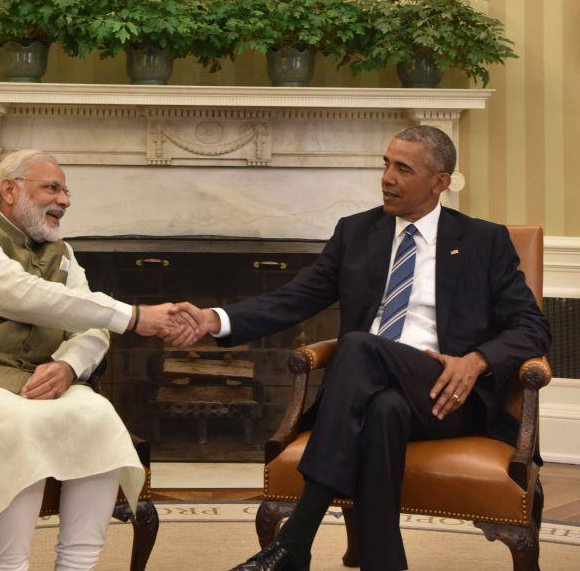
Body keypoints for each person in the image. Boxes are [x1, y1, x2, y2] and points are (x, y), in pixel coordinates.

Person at [188, 126, 552, 571]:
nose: (387, 177)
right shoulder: (356, 232)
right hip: (369, 393)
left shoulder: (483, 241)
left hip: (448, 396)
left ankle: (296, 540)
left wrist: (477, 362)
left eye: (403, 168)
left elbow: (532, 326)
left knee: (359, 346)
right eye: (385, 163)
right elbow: (295, 298)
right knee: (383, 409)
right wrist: (215, 320)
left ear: (440, 181)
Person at [0, 149, 199, 571]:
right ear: (8, 189)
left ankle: (77, 567)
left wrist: (68, 365)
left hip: (34, 384)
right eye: (52, 187)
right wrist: (135, 318)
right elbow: (16, 292)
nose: (65, 200)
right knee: (22, 424)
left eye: (66, 191)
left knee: (97, 415)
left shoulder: (62, 251)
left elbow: (91, 326)